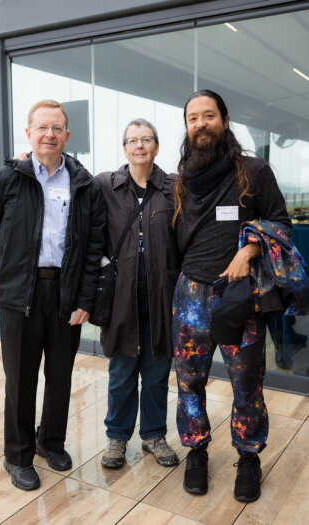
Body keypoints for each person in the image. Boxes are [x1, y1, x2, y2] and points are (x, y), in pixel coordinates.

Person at [171, 90, 292, 502]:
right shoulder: (181, 178)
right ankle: (197, 451)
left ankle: (250, 456)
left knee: (247, 383)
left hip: (240, 296)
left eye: (208, 115)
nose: (201, 123)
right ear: (186, 127)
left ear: (224, 120)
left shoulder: (255, 171)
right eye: (193, 118)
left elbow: (281, 224)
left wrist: (248, 249)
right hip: (189, 294)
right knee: (189, 382)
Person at [0, 99, 106, 491]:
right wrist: (12, 269)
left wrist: (85, 299)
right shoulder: (6, 178)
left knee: (60, 374)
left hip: (65, 291)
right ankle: (17, 455)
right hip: (21, 294)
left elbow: (93, 247)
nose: (49, 134)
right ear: (28, 133)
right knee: (20, 378)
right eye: (42, 127)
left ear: (67, 136)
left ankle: (50, 441)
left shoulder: (84, 183)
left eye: (57, 128)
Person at [97, 119, 181, 469]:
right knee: (121, 372)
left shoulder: (175, 188)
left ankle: (153, 435)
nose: (139, 145)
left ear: (157, 147)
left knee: (158, 371)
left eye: (146, 139)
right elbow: (69, 182)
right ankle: (117, 438)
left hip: (163, 297)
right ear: (124, 148)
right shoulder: (105, 185)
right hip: (121, 299)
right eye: (132, 140)